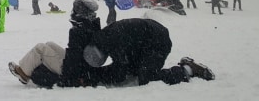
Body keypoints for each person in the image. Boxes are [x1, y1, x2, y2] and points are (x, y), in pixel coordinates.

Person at [86, 18, 215, 86]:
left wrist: (94, 77)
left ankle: (188, 69)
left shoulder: (111, 43)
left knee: (146, 78)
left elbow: (119, 72)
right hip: (146, 40)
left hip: (157, 43)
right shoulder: (103, 37)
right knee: (132, 69)